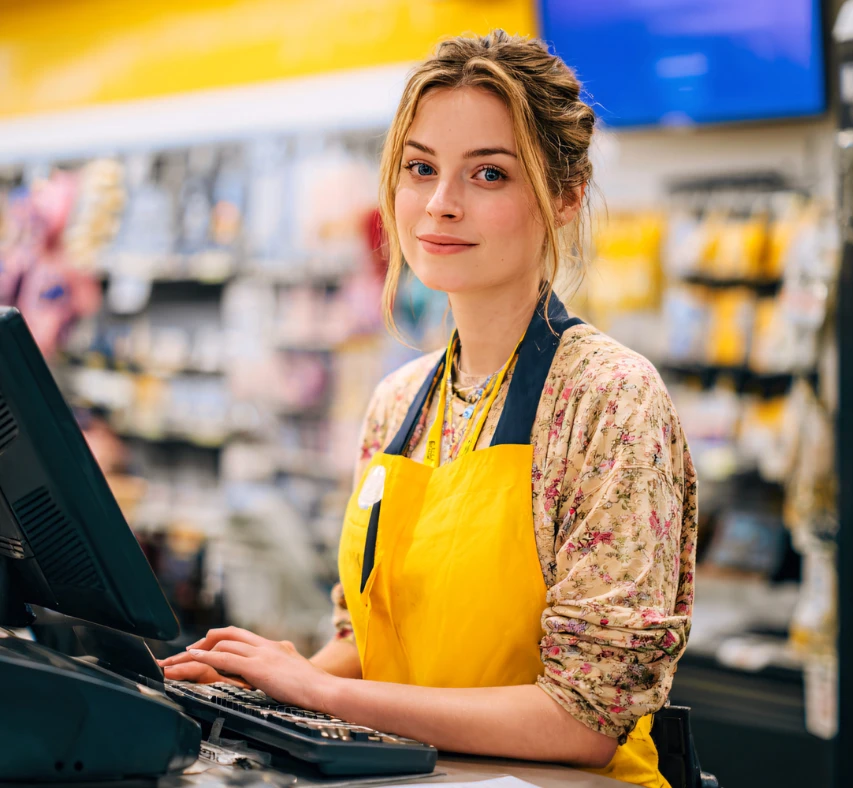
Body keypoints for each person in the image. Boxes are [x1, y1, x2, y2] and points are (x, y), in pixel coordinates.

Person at [159, 30, 697, 787]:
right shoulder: (397, 404)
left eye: (488, 174)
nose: (441, 205)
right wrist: (272, 689)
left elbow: (583, 720)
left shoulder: (607, 399)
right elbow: (365, 644)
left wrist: (323, 692)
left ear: (566, 196)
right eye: (420, 168)